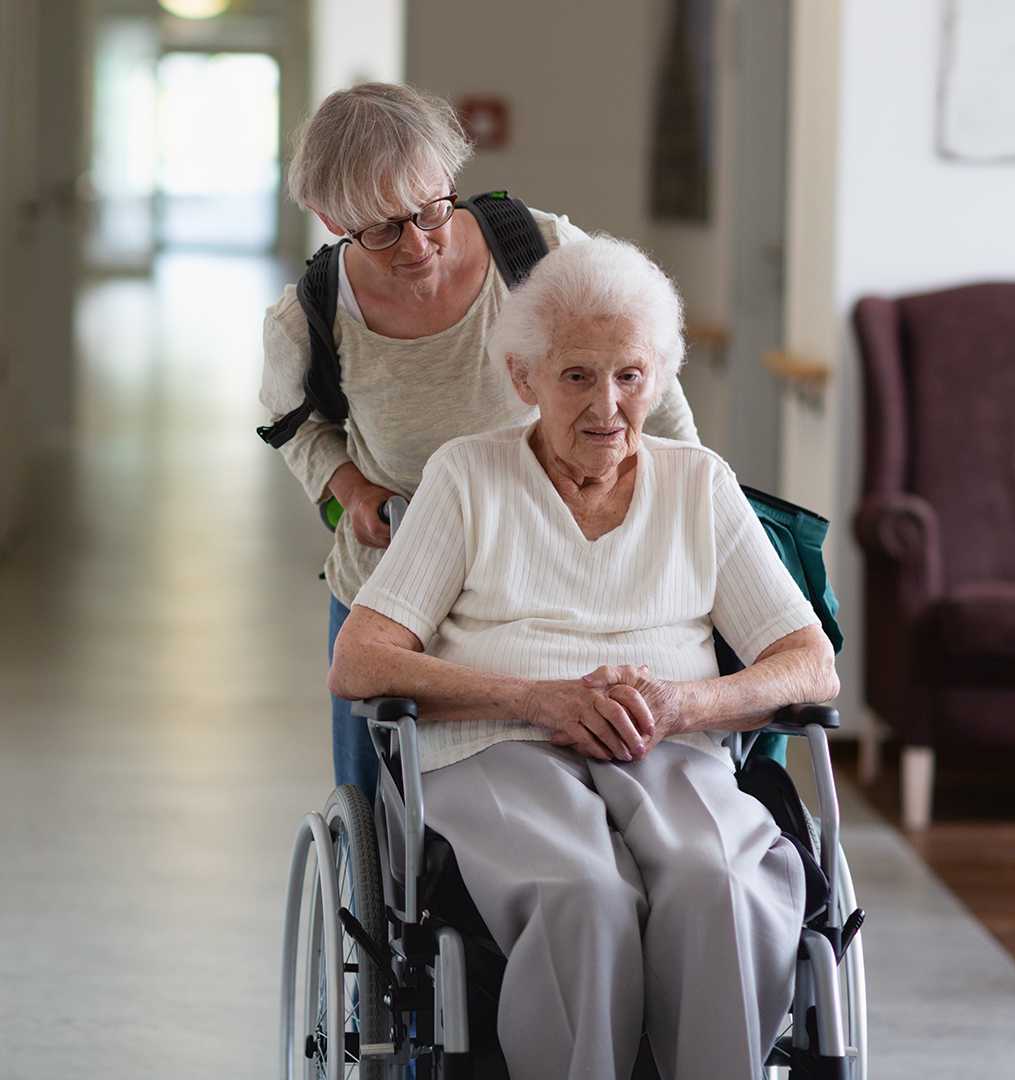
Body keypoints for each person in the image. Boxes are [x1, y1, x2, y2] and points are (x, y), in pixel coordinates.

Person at [328, 237, 840, 1080]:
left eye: (630, 375)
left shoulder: (700, 483)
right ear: (524, 379)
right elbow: (361, 660)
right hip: (497, 746)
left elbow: (809, 663)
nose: (607, 405)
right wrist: (539, 699)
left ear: (659, 378)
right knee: (583, 895)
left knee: (720, 882)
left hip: (670, 744)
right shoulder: (467, 477)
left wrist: (682, 705)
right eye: (576, 376)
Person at [259, 83, 699, 800]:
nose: (417, 245)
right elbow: (296, 425)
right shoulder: (308, 318)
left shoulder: (542, 254)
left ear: (449, 177)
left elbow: (648, 384)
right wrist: (349, 491)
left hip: (542, 574)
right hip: (399, 578)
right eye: (381, 229)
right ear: (330, 219)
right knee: (378, 804)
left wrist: (690, 497)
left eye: (431, 210)